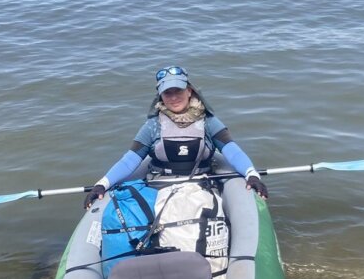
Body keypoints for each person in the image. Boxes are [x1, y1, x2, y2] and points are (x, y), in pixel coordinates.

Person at [84, 66, 269, 209]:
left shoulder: (209, 122)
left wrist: (251, 174)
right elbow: (130, 160)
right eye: (167, 93)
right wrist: (102, 184)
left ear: (189, 91)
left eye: (178, 91)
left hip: (201, 184)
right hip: (159, 187)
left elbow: (232, 150)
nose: (173, 97)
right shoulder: (152, 126)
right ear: (161, 96)